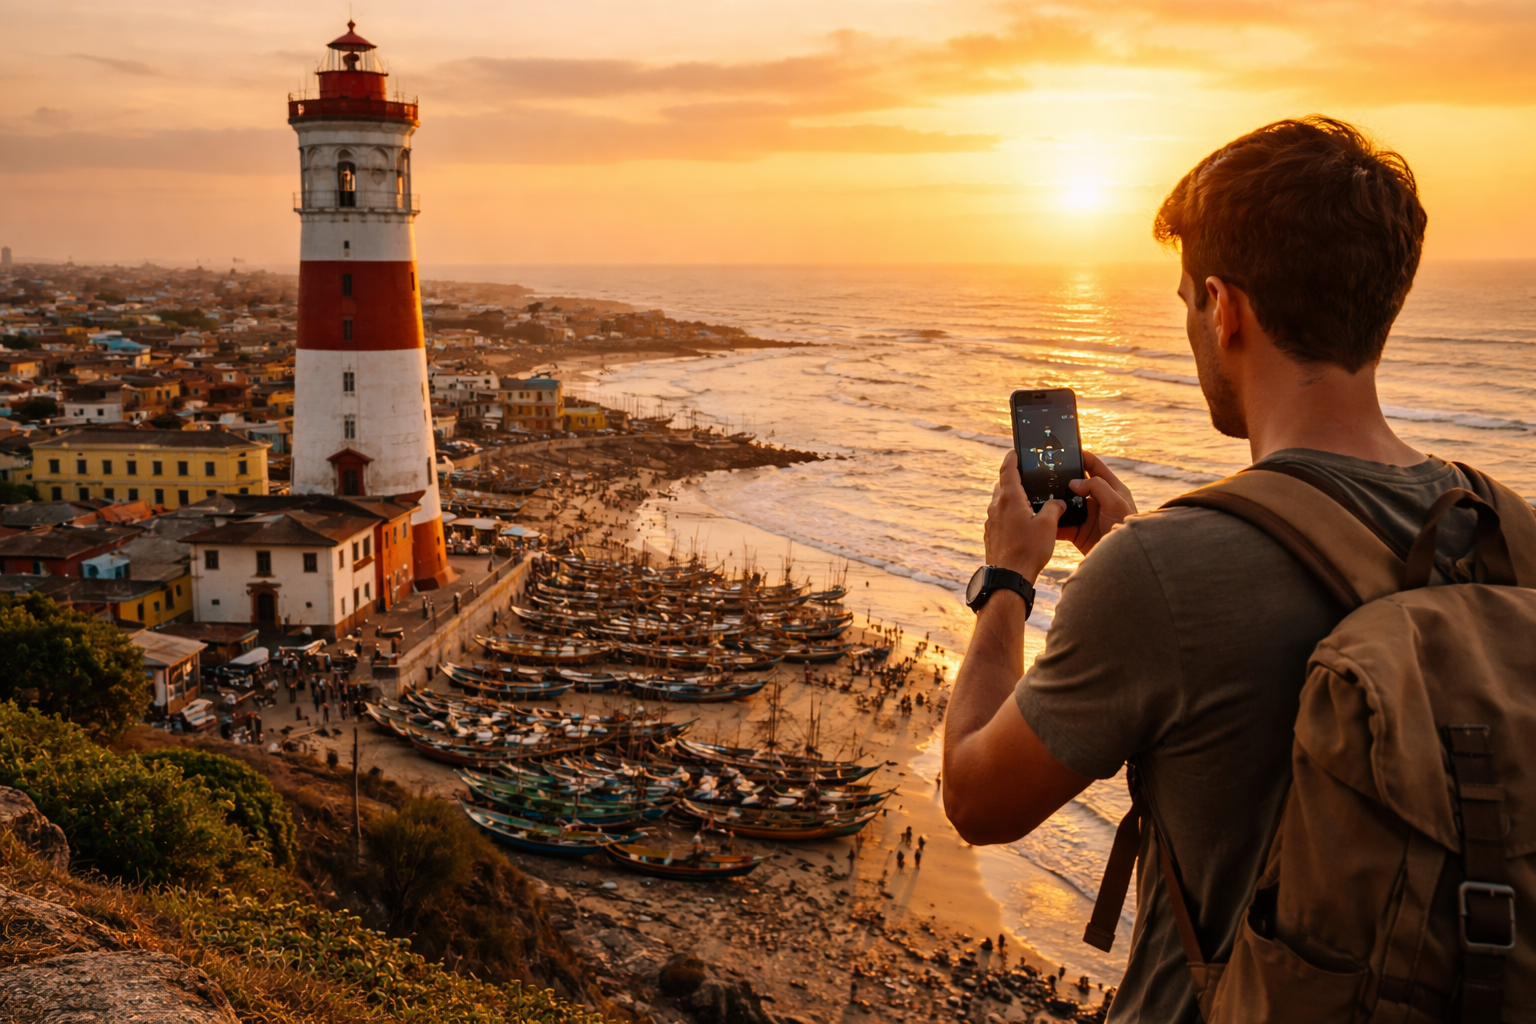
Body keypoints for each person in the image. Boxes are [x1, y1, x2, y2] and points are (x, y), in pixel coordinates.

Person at [941, 118, 1479, 1021]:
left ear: (1224, 308)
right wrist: (1129, 565)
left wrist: (1007, 583)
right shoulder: (1505, 530)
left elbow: (973, 795)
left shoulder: (1166, 574)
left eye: (1186, 299)